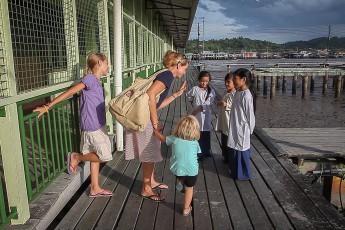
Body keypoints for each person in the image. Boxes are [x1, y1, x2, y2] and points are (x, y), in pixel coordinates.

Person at [33, 52, 114, 197]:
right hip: (92, 126)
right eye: (107, 63)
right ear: (100, 63)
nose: (109, 66)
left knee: (95, 156)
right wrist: (48, 106)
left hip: (97, 124)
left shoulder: (96, 80)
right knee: (105, 156)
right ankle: (77, 158)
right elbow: (70, 92)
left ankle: (94, 188)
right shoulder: (90, 78)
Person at [125, 50, 189, 202]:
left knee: (151, 151)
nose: (185, 72)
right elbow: (151, 95)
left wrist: (175, 95)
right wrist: (155, 124)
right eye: (185, 69)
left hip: (146, 117)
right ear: (178, 65)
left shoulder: (163, 73)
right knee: (149, 152)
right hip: (146, 120)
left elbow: (157, 103)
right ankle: (146, 189)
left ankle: (151, 181)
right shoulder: (167, 75)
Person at [153, 115, 201, 216]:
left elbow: (161, 138)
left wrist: (155, 131)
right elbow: (198, 153)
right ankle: (186, 208)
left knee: (181, 175)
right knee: (190, 188)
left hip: (177, 169)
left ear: (179, 127)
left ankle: (180, 183)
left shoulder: (173, 139)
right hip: (192, 171)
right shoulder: (195, 142)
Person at [227, 68, 255, 180]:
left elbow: (250, 115)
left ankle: (242, 174)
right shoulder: (238, 92)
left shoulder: (247, 96)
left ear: (243, 79)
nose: (233, 80)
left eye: (235, 78)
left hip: (242, 127)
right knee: (235, 149)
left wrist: (250, 130)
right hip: (235, 124)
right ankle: (235, 171)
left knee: (241, 151)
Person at [186, 71, 215, 159]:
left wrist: (198, 109)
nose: (204, 83)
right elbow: (188, 95)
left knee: (206, 132)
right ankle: (198, 151)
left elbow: (209, 103)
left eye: (206, 81)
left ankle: (206, 150)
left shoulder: (211, 91)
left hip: (206, 115)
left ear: (209, 81)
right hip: (197, 115)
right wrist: (193, 102)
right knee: (197, 132)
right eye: (202, 81)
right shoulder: (195, 89)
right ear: (199, 80)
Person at [215, 73, 236, 161]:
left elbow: (237, 107)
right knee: (224, 138)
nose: (226, 84)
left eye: (229, 82)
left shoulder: (235, 94)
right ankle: (225, 155)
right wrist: (220, 104)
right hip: (224, 119)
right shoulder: (226, 92)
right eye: (225, 82)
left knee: (229, 138)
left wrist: (227, 105)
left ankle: (230, 156)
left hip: (230, 120)